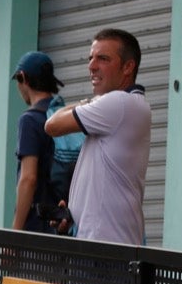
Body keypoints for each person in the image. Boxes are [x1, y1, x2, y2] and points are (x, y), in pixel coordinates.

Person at [44, 27, 150, 245]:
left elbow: (52, 125)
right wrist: (73, 216)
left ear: (128, 67)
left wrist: (87, 103)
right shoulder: (126, 105)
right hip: (100, 245)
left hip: (105, 250)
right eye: (91, 58)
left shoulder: (119, 103)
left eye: (103, 59)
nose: (91, 66)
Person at [11, 51, 67, 233]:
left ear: (23, 78)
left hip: (37, 227)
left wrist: (16, 232)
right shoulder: (65, 115)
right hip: (65, 224)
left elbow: (28, 178)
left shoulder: (30, 120)